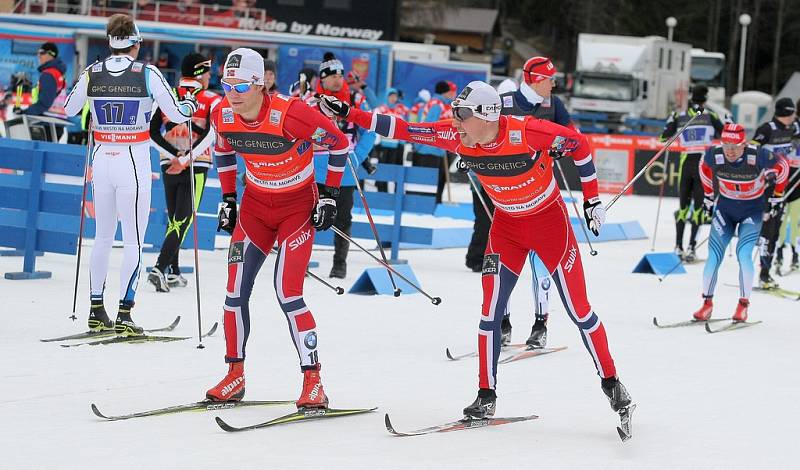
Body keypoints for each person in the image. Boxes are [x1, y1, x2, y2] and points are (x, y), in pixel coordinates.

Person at [318, 81, 631, 421]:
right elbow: (403, 129)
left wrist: (593, 200)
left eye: (462, 115)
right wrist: (350, 114)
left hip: (549, 226)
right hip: (507, 229)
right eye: (454, 113)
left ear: (487, 116)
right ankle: (485, 394)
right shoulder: (456, 136)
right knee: (489, 313)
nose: (454, 122)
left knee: (578, 310)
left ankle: (612, 383)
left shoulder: (526, 133)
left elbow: (580, 145)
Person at [205, 48, 351, 409]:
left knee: (288, 292)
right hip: (254, 208)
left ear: (259, 84)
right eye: (227, 84)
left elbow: (339, 143)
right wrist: (228, 198)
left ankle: (313, 381)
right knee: (234, 291)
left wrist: (330, 195)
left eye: (240, 86)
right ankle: (234, 374)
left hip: (296, 208)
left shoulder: (292, 113)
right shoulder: (221, 113)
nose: (232, 94)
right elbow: (222, 151)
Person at [63, 14, 196, 335]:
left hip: (102, 159)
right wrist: (190, 101)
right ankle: (125, 312)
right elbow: (178, 113)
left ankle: (96, 309)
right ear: (136, 43)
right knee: (133, 240)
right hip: (132, 159)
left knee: (103, 238)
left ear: (110, 42)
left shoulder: (92, 71)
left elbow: (68, 109)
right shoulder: (147, 72)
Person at [494, 56, 574, 349]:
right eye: (549, 79)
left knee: (540, 264)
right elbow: (480, 135)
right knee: (502, 265)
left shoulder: (555, 105)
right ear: (534, 80)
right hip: (505, 194)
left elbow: (573, 138)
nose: (554, 85)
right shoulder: (504, 103)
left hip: (540, 194)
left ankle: (540, 325)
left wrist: (558, 148)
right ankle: (502, 323)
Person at [692, 124, 788, 322]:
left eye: (735, 146)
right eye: (726, 145)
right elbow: (703, 166)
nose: (731, 151)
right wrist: (709, 197)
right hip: (725, 210)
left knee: (743, 255)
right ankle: (706, 304)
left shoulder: (757, 155)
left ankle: (742, 305)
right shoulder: (715, 155)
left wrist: (777, 197)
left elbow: (783, 166)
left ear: (744, 144)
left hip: (751, 211)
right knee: (713, 257)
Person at [147, 53, 221, 291]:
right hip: (196, 164)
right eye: (208, 72)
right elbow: (211, 134)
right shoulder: (212, 99)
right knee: (183, 219)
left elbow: (152, 133)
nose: (210, 76)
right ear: (199, 73)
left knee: (174, 219)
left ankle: (173, 272)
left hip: (168, 163)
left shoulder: (166, 96)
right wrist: (186, 158)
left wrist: (174, 157)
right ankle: (159, 268)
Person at [311, 52, 377, 279]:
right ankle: (301, 260)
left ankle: (339, 264)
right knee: (308, 216)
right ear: (322, 78)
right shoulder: (312, 101)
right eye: (332, 75)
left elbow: (370, 129)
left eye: (341, 74)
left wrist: (358, 155)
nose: (338, 79)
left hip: (346, 168)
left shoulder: (355, 100)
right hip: (316, 168)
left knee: (343, 218)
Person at [660, 84, 725, 262]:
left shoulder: (680, 115)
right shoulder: (710, 115)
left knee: (683, 207)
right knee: (698, 208)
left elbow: (663, 137)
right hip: (704, 166)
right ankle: (691, 248)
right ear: (705, 99)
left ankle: (678, 246)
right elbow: (726, 135)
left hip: (686, 164)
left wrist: (671, 124)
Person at [751, 97, 800, 288]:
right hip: (765, 187)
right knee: (767, 231)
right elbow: (752, 151)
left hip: (782, 187)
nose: (795, 114)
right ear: (787, 113)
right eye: (792, 112)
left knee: (774, 230)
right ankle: (759, 273)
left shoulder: (793, 128)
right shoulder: (767, 128)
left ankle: (765, 273)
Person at [412, 80, 456, 203]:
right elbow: (429, 126)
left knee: (427, 181)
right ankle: (424, 205)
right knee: (427, 182)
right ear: (445, 92)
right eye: (449, 92)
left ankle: (426, 203)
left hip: (431, 148)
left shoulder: (434, 103)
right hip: (430, 148)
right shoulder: (437, 105)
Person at [774, 98, 800, 274]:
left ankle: (794, 256)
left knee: (795, 219)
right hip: (784, 176)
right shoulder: (791, 126)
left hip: (797, 176)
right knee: (782, 219)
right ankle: (779, 254)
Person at [373, 87, 408, 192]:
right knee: (382, 168)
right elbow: (375, 125)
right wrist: (377, 141)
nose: (393, 98)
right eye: (391, 96)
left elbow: (404, 126)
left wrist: (402, 141)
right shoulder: (381, 109)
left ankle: (393, 193)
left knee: (393, 169)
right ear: (386, 97)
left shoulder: (400, 110)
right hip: (383, 145)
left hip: (395, 146)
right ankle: (381, 189)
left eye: (395, 96)